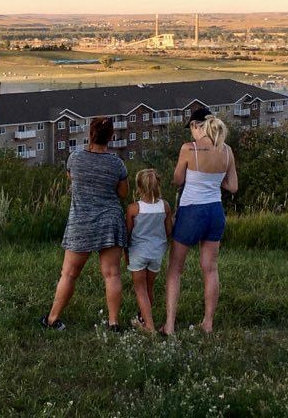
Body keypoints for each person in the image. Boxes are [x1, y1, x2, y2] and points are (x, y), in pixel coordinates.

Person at [42, 116, 129, 331]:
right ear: (111, 137)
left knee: (69, 273)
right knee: (112, 274)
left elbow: (71, 178)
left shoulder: (76, 158)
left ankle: (52, 319)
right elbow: (123, 193)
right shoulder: (117, 163)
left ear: (90, 134)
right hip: (110, 221)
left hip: (81, 221)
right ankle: (113, 323)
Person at [161, 107, 238, 335]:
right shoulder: (226, 151)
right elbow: (233, 186)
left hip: (192, 212)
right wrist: (214, 180)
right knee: (210, 269)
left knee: (175, 269)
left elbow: (177, 180)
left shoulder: (189, 149)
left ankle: (170, 325)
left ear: (196, 126)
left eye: (191, 128)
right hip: (215, 212)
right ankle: (207, 323)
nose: (190, 133)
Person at [126, 169, 172, 333]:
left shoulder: (133, 209)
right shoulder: (165, 206)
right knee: (149, 288)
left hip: (138, 253)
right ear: (158, 185)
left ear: (139, 188)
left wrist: (126, 253)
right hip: (156, 254)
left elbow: (128, 233)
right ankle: (143, 318)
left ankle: (149, 327)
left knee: (140, 289)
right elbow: (168, 231)